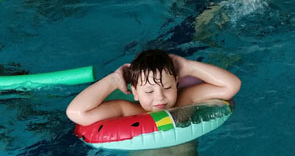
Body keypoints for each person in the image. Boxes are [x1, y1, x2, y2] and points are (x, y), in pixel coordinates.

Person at [66, 49, 240, 126]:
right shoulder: (128, 110)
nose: (160, 97)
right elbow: (77, 113)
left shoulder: (186, 99)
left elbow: (232, 85)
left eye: (167, 87)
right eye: (149, 91)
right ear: (134, 92)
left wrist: (188, 66)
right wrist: (113, 80)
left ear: (177, 83)